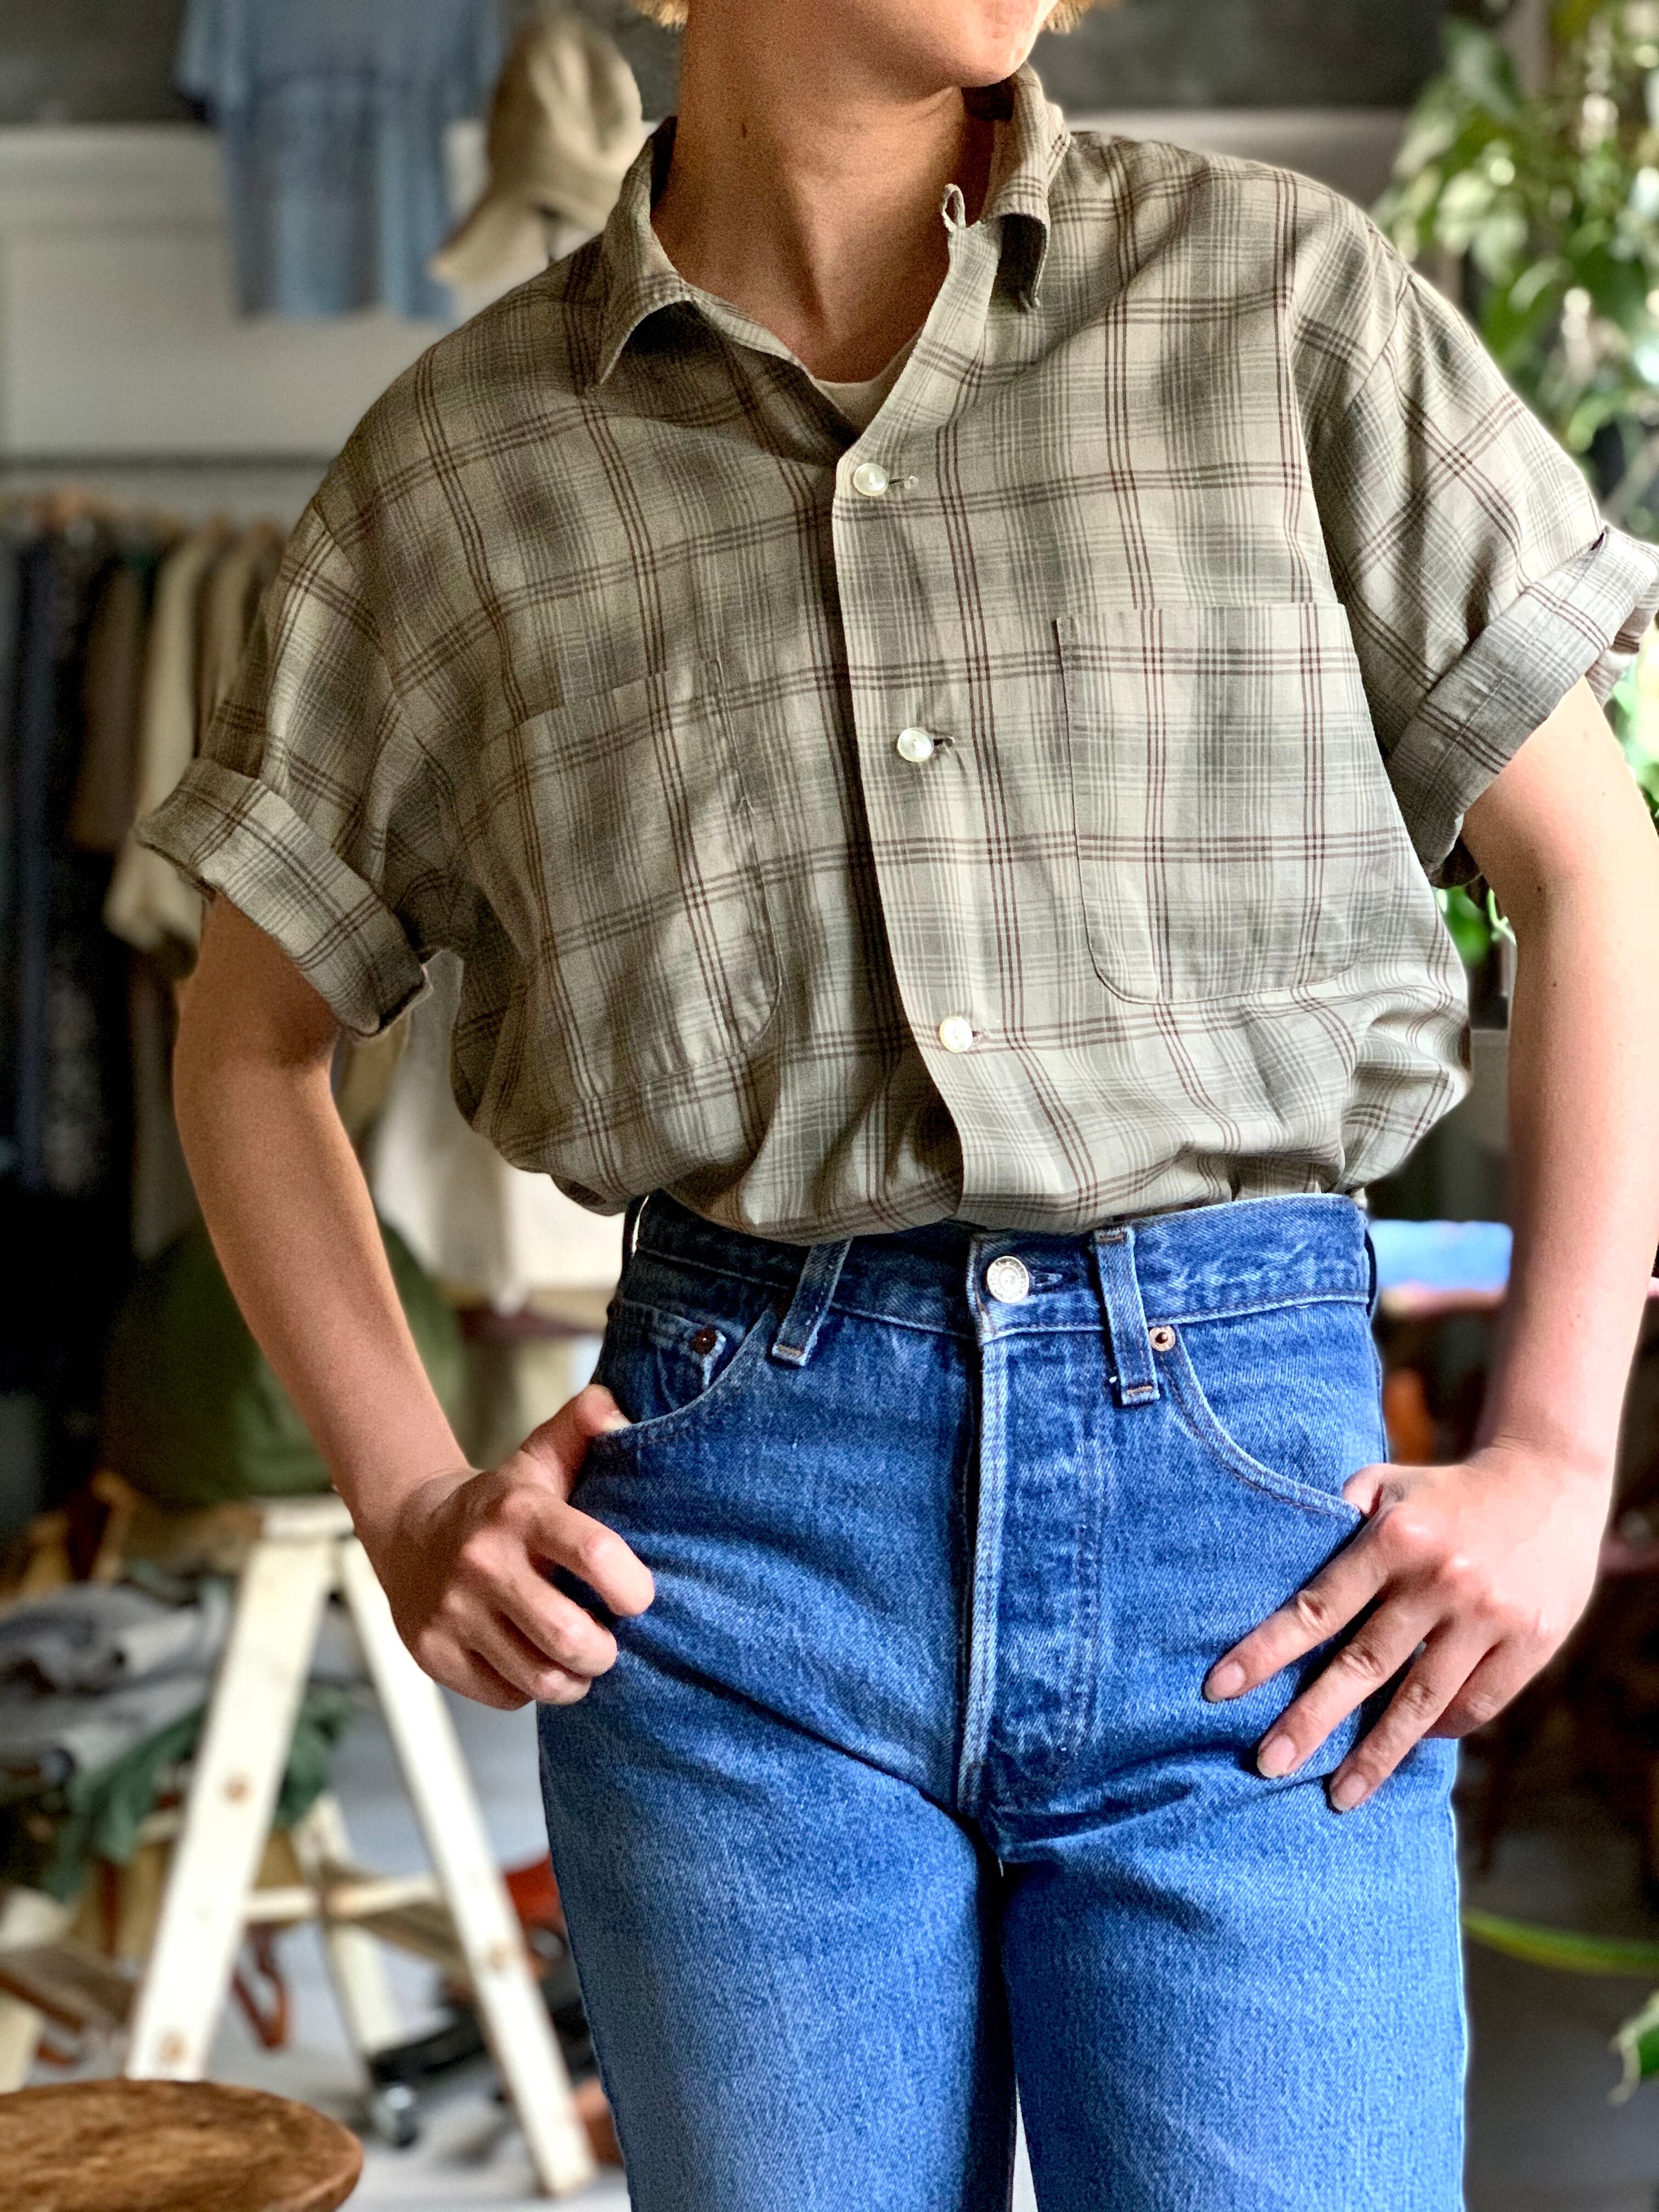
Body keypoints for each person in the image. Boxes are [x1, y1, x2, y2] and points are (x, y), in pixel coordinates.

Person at [142, 1, 1659, 2205]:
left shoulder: (1280, 303)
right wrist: (402, 1494)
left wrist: (1555, 1452)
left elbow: (1595, 866)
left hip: (1259, 1552)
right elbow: (245, 1038)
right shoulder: (464, 472)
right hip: (729, 1558)